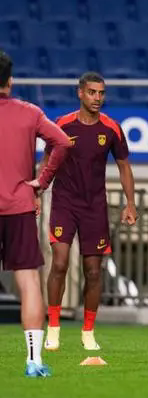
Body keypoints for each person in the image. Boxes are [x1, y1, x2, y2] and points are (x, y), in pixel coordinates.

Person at [42, 72, 137, 352]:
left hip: (95, 207)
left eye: (101, 93)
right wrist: (37, 192)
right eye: (92, 92)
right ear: (80, 93)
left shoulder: (111, 128)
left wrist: (130, 203)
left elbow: (124, 166)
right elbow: (47, 161)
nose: (97, 98)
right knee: (59, 263)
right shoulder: (62, 124)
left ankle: (88, 332)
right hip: (64, 203)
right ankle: (53, 328)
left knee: (93, 272)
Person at [0, 51, 72, 377]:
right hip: (19, 205)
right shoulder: (29, 112)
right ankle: (33, 361)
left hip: (19, 206)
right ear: (10, 80)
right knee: (28, 281)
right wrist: (42, 182)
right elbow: (63, 142)